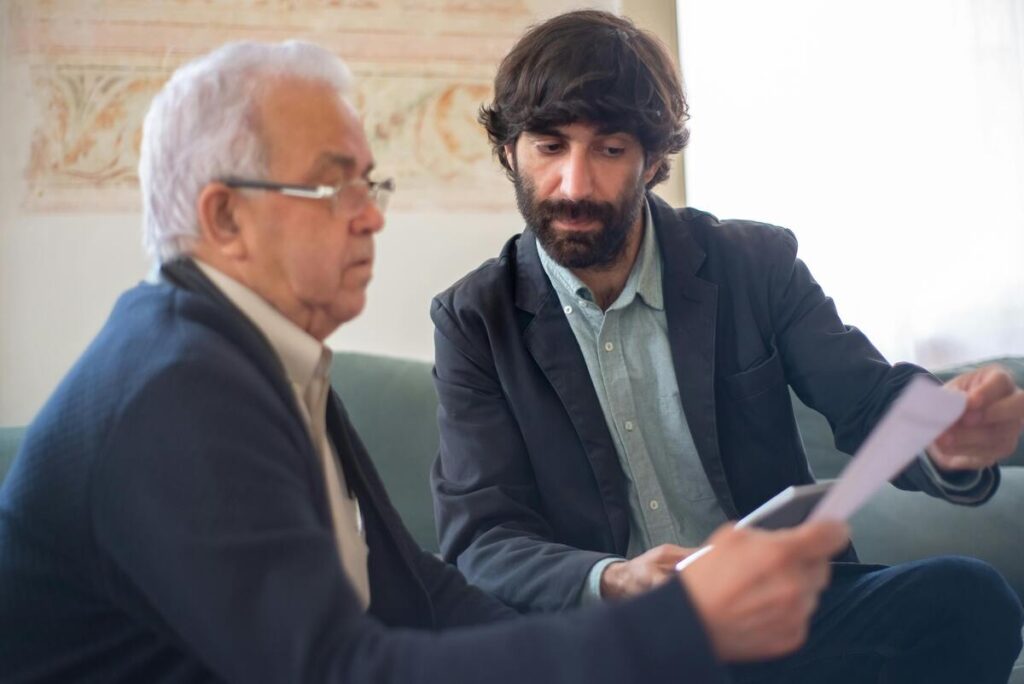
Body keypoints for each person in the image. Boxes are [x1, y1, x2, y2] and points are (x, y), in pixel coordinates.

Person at [0, 40, 855, 683]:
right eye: (335, 185)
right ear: (223, 219)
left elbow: (422, 593)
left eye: (371, 184)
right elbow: (340, 671)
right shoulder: (176, 388)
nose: (371, 218)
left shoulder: (253, 356)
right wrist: (673, 630)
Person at [430, 9, 1024, 683]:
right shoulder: (473, 319)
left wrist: (942, 433)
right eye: (549, 146)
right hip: (617, 641)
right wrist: (615, 578)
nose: (574, 184)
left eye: (610, 149)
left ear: (653, 159)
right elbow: (485, 536)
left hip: (782, 617)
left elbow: (871, 403)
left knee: (968, 598)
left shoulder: (754, 263)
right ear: (510, 150)